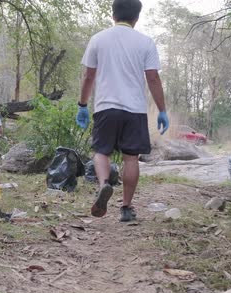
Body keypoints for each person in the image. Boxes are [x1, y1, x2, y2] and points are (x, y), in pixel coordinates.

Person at [77, 0, 169, 222]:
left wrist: (82, 105)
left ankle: (104, 185)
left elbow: (89, 76)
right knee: (131, 159)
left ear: (113, 15)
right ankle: (126, 208)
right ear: (136, 18)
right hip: (134, 109)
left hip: (106, 107)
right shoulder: (145, 42)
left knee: (101, 151)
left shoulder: (98, 39)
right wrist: (162, 110)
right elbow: (153, 78)